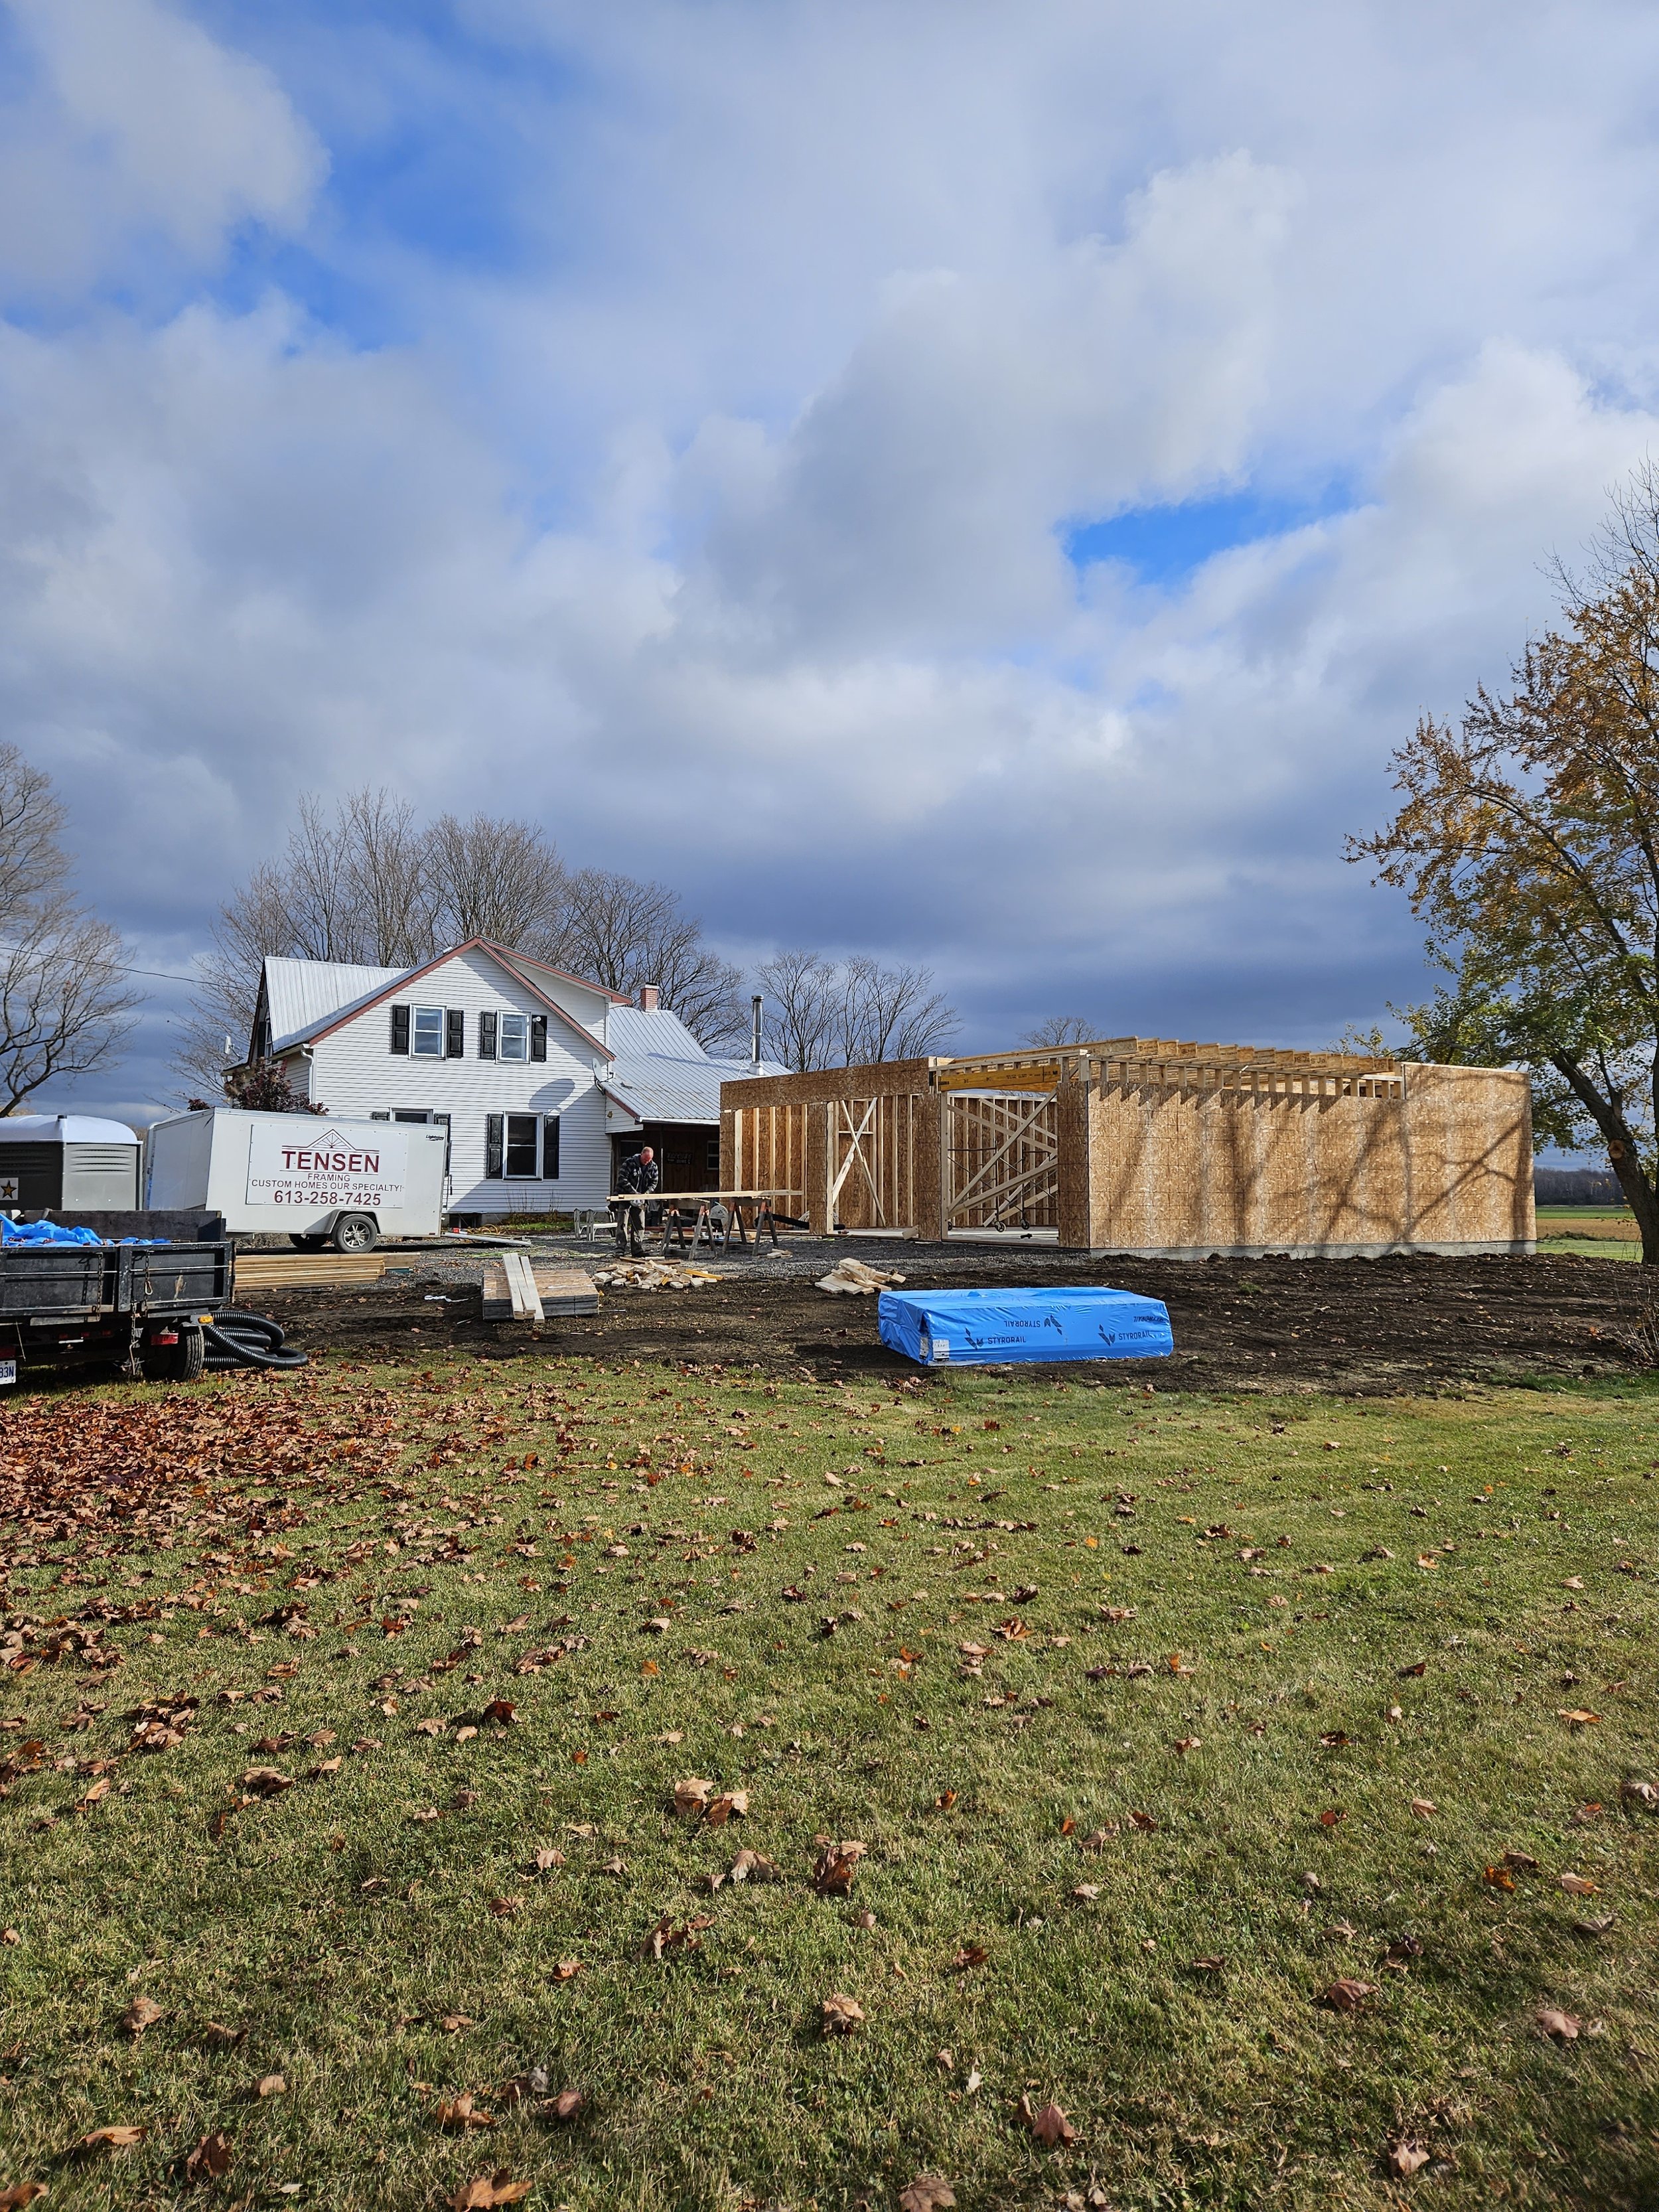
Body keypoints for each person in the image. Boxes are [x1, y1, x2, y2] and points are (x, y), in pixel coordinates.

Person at [614, 1144, 660, 1255]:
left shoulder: (653, 1167)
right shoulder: (629, 1163)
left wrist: (646, 1194)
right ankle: (620, 1248)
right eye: (645, 1159)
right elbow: (622, 1178)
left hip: (640, 1198)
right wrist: (633, 1193)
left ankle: (637, 1249)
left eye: (649, 1160)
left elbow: (654, 1183)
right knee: (623, 1223)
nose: (646, 1162)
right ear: (641, 1155)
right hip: (625, 1196)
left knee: (639, 1223)